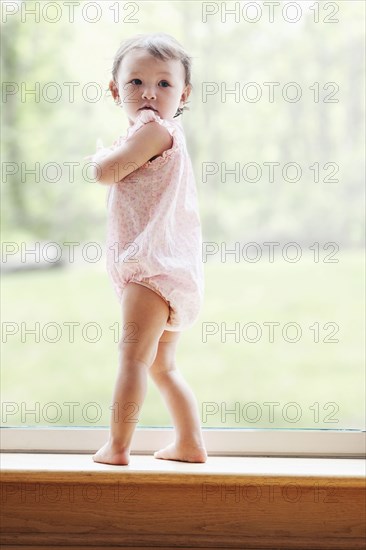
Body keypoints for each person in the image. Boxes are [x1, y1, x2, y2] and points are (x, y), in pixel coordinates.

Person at [89, 32, 207, 465]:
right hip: (172, 270)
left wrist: (95, 159)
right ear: (115, 89)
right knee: (162, 365)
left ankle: (118, 446)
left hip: (150, 269)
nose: (149, 94)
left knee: (133, 359)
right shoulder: (159, 132)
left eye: (164, 84)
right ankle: (190, 443)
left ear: (183, 93)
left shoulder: (154, 131)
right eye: (136, 82)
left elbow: (107, 172)